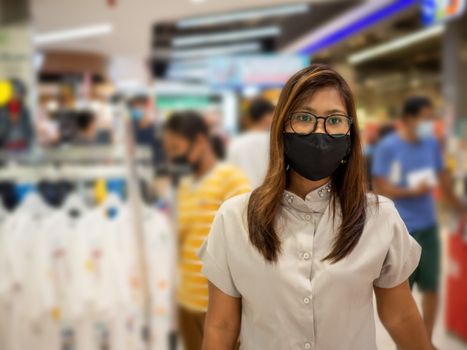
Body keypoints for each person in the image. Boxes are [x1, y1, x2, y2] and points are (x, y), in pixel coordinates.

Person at [199, 64, 434, 350]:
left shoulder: (379, 216)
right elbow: (221, 325)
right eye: (304, 117)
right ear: (282, 127)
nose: (319, 132)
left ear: (350, 136)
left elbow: (400, 315)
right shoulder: (234, 218)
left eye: (334, 120)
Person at [372, 96, 467, 340]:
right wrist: (411, 191)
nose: (428, 123)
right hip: (401, 229)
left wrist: (460, 209)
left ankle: (426, 339)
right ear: (407, 119)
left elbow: (443, 179)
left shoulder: (431, 144)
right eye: (423, 118)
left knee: (432, 287)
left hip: (428, 225)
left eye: (430, 118)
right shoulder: (388, 147)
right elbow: (380, 187)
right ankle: (408, 343)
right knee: (402, 292)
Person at [162, 111, 250, 350]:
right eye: (168, 149)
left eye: (176, 147)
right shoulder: (186, 186)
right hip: (187, 301)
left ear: (200, 142)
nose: (172, 156)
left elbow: (246, 245)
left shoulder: (231, 179)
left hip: (220, 309)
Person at [227, 98, 274, 188]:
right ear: (266, 116)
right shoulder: (273, 141)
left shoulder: (236, 142)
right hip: (267, 195)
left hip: (240, 195)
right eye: (272, 114)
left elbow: (230, 173)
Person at [0, 79, 34, 151]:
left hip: (23, 148)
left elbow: (29, 130)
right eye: (14, 93)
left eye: (19, 94)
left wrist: (29, 142)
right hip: (5, 148)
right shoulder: (2, 110)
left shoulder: (24, 111)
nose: (16, 96)